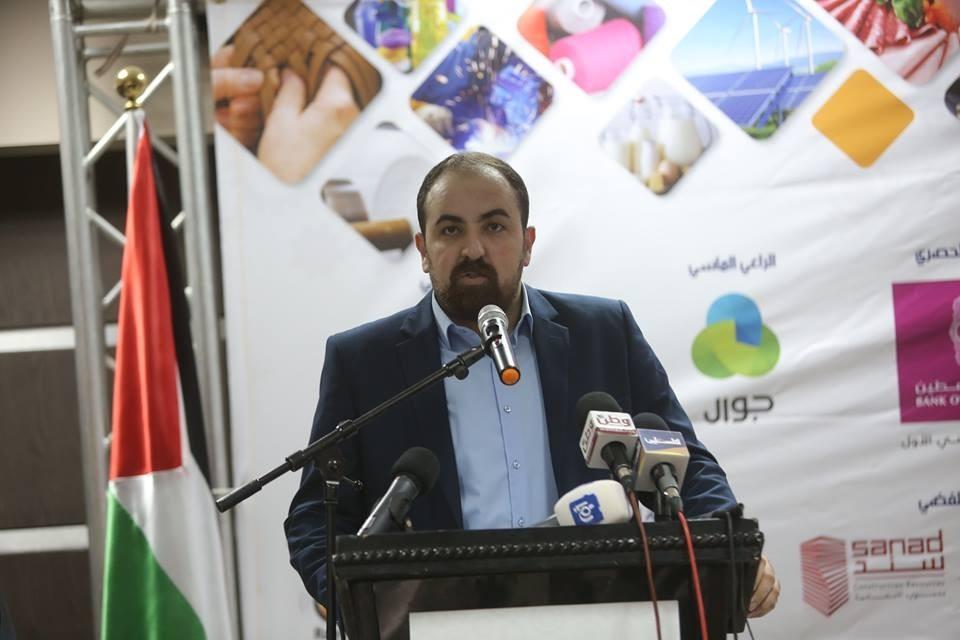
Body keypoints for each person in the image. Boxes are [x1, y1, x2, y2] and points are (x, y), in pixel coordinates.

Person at [285, 151, 780, 618]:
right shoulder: (364, 361)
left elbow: (682, 466)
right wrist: (344, 592)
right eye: (451, 230)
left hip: (598, 611)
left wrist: (735, 555)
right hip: (441, 620)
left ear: (527, 244)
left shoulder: (603, 333)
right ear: (423, 250)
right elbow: (316, 514)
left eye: (494, 226)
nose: (473, 249)